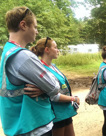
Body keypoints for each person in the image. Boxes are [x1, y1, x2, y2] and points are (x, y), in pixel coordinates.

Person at [0, 7, 79, 136]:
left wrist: (43, 87)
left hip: (18, 124)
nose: (36, 32)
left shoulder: (7, 51)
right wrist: (45, 88)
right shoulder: (23, 56)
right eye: (35, 27)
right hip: (33, 126)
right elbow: (54, 87)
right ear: (23, 25)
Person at [30, 37, 78, 136]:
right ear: (47, 50)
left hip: (65, 112)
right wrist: (74, 98)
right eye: (55, 47)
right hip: (56, 115)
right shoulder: (42, 70)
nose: (58, 50)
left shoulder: (53, 66)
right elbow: (54, 96)